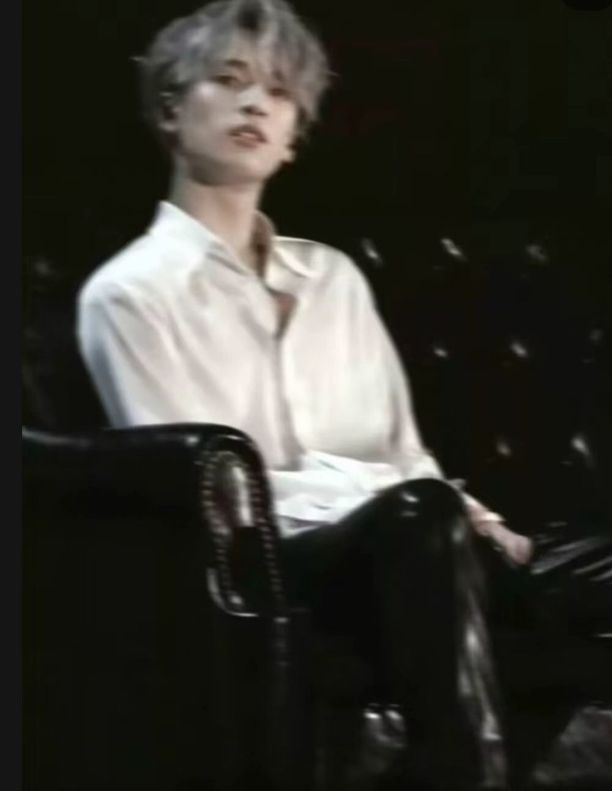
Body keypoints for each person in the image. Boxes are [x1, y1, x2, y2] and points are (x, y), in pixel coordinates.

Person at [77, 1, 537, 789]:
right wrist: (425, 506)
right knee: (423, 516)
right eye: (230, 80)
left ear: (293, 138)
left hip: (411, 544)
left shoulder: (334, 278)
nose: (256, 103)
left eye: (279, 91)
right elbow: (214, 495)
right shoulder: (127, 294)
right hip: (266, 562)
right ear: (170, 109)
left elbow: (403, 453)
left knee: (606, 573)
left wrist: (473, 516)